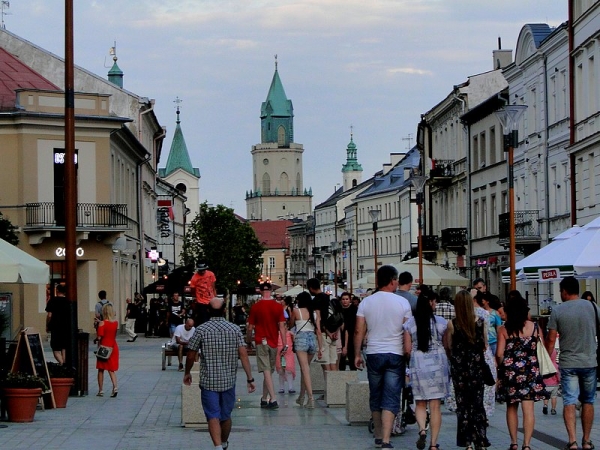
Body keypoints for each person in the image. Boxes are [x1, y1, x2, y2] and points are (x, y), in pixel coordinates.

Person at [184, 297, 255, 450]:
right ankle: (223, 443)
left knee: (212, 415)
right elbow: (243, 354)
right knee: (226, 415)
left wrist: (187, 372)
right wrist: (250, 378)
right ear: (224, 310)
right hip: (228, 381)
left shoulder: (201, 329)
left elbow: (191, 354)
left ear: (208, 311)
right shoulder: (234, 329)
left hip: (209, 381)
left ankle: (217, 447)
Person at [354, 265, 412, 449]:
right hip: (395, 353)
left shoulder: (366, 303)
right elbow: (407, 332)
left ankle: (378, 435)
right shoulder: (403, 303)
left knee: (376, 393)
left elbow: (358, 330)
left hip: (374, 353)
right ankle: (386, 439)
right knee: (391, 396)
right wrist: (408, 353)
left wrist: (356, 354)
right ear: (393, 281)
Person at [545, 276, 600, 450]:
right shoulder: (593, 307)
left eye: (561, 291)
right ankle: (586, 440)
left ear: (565, 291)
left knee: (569, 400)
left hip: (568, 363)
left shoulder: (557, 311)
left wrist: (546, 361)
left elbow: (551, 340)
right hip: (590, 361)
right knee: (588, 401)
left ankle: (573, 441)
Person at [496, 290, 549, 450]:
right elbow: (542, 349)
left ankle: (514, 442)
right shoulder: (534, 328)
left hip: (511, 373)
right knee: (529, 408)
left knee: (511, 407)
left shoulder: (504, 330)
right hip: (531, 372)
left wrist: (502, 366)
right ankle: (527, 444)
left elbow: (499, 354)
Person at [403, 290, 450, 450]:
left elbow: (407, 349)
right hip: (438, 364)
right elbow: (447, 345)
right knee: (435, 406)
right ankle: (433, 443)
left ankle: (422, 429)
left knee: (420, 403)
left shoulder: (410, 323)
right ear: (431, 303)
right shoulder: (441, 322)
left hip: (418, 363)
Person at [443, 290, 489, 450]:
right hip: (476, 369)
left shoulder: (452, 324)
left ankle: (467, 442)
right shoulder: (480, 322)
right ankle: (480, 440)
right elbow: (484, 345)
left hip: (459, 370)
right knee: (477, 404)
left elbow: (448, 347)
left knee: (463, 406)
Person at [246, 282, 287, 409]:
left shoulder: (255, 307)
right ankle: (265, 398)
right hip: (273, 341)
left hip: (260, 340)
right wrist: (285, 343)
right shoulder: (278, 307)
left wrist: (248, 340)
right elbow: (281, 326)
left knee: (266, 370)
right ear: (271, 291)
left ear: (260, 291)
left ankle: (271, 398)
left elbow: (250, 327)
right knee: (268, 370)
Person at [291, 291, 323, 408]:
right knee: (306, 370)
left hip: (301, 339)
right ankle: (301, 397)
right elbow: (318, 331)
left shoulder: (296, 311)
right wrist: (320, 348)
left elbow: (291, 324)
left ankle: (310, 399)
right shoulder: (315, 313)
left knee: (305, 370)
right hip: (312, 340)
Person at [307, 277, 341, 372]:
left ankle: (329, 385)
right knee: (333, 362)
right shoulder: (329, 298)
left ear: (311, 288)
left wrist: (320, 344)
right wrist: (335, 332)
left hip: (324, 334)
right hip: (334, 333)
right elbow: (339, 317)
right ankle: (334, 385)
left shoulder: (316, 301)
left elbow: (319, 320)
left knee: (325, 363)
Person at [96, 303, 119, 398]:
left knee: (101, 369)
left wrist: (98, 325)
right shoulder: (115, 323)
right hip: (113, 347)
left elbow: (99, 337)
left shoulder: (102, 323)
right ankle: (115, 387)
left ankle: (101, 390)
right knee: (111, 369)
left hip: (104, 348)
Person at [45, 283, 70, 364]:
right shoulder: (68, 301)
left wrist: (47, 325)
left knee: (55, 349)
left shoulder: (52, 301)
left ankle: (62, 364)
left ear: (57, 290)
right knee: (64, 348)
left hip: (55, 327)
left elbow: (49, 315)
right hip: (66, 327)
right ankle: (65, 365)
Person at [275, 322, 296, 394]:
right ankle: (281, 387)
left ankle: (290, 387)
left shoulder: (290, 334)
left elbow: (294, 340)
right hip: (279, 354)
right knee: (281, 371)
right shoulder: (277, 334)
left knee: (289, 370)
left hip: (288, 354)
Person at [339, 291, 358, 371]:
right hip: (341, 335)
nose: (345, 301)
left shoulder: (354, 309)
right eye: (343, 299)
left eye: (347, 299)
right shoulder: (339, 310)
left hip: (352, 335)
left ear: (350, 300)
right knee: (341, 360)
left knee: (352, 357)